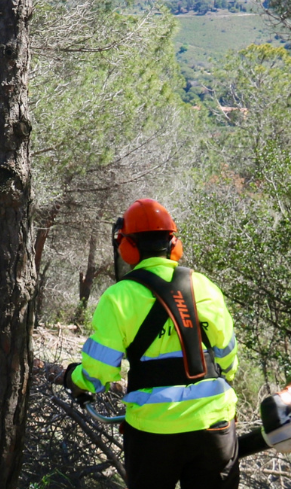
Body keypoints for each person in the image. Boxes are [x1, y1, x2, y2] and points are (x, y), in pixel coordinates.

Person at [63, 198, 241, 489]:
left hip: (154, 433)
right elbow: (227, 357)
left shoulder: (118, 297)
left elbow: (99, 373)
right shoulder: (204, 285)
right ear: (173, 243)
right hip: (214, 426)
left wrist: (75, 379)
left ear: (128, 248)